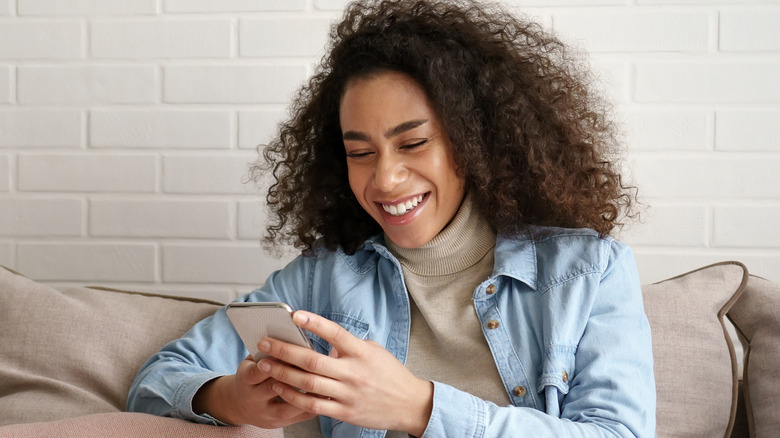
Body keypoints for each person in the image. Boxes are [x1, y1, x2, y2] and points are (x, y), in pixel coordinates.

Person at [127, 0, 656, 436]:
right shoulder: (323, 278)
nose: (385, 179)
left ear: (473, 142)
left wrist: (419, 407)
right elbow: (156, 381)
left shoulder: (588, 271)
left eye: (414, 143)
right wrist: (234, 399)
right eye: (360, 152)